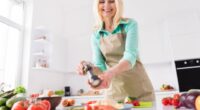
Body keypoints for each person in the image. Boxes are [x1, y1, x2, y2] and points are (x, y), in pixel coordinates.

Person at [77, 0, 155, 102]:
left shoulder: (130, 25)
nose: (106, 5)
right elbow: (100, 66)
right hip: (114, 95)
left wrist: (110, 72)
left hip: (139, 92)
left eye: (111, 1)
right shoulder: (96, 35)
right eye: (102, 1)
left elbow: (130, 56)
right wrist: (88, 68)